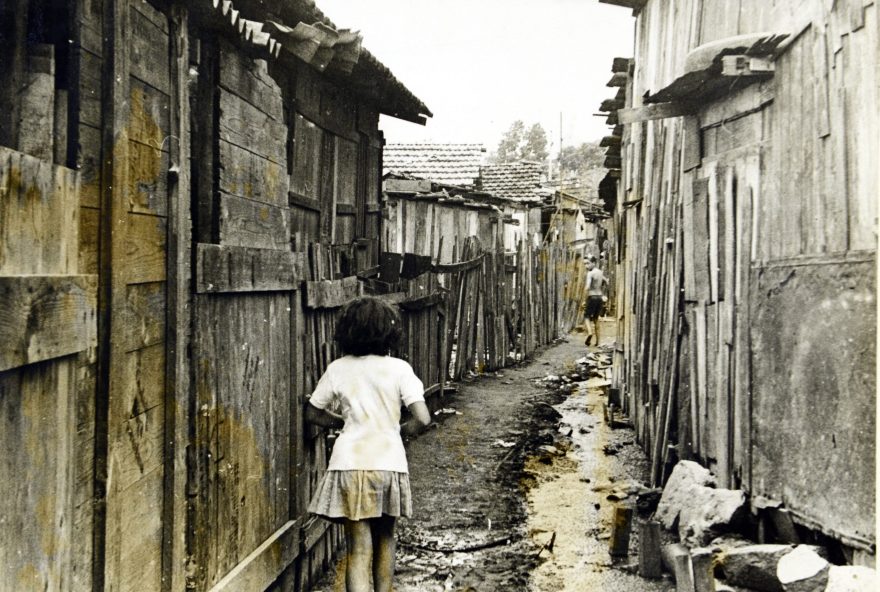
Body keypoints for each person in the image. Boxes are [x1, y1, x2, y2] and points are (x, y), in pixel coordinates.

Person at [305, 296, 432, 592]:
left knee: (358, 550)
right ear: (389, 332)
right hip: (389, 463)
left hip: (351, 463)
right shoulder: (400, 368)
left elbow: (312, 412)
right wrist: (400, 430)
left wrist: (341, 422)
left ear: (348, 331)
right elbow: (423, 418)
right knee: (386, 539)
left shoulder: (338, 368)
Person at [584, 257, 607, 346]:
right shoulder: (600, 272)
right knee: (596, 319)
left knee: (586, 316)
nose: (586, 266)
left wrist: (585, 294)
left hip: (592, 296)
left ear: (594, 262)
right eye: (585, 264)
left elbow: (588, 286)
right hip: (600, 297)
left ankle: (590, 333)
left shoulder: (590, 273)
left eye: (588, 263)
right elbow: (606, 281)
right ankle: (598, 342)